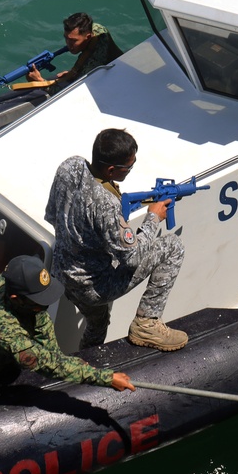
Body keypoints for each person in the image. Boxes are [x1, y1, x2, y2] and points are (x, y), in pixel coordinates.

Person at [45, 129, 188, 352]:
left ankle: (87, 360)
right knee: (173, 247)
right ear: (111, 169)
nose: (131, 169)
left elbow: (52, 214)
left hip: (62, 275)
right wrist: (153, 218)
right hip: (93, 287)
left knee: (98, 323)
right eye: (129, 167)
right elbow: (132, 259)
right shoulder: (106, 205)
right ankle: (147, 323)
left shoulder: (69, 167)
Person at [0, 255, 135, 392]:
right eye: (39, 301)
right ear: (16, 299)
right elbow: (44, 362)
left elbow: (41, 321)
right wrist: (103, 377)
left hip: (11, 346)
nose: (45, 305)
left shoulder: (12, 280)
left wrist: (63, 360)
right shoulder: (0, 327)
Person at [26, 12, 124, 91]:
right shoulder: (96, 28)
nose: (68, 44)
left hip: (115, 79)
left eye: (73, 40)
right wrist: (74, 71)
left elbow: (67, 94)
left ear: (88, 36)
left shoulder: (94, 59)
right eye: (66, 38)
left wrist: (39, 81)